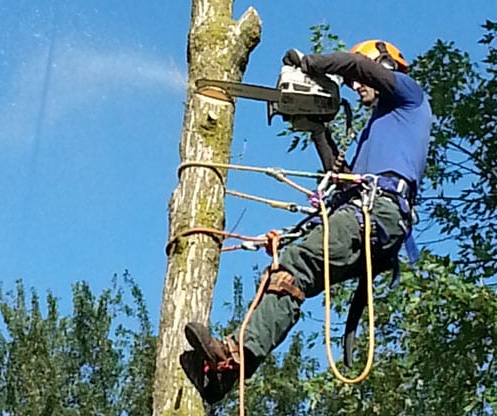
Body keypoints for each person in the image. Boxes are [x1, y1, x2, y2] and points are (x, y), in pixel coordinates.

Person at [182, 39, 433, 404]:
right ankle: (226, 372)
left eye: (360, 80)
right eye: (352, 85)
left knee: (297, 264)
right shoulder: (374, 132)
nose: (355, 86)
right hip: (364, 214)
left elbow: (354, 66)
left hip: (379, 213)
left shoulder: (410, 98)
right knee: (288, 275)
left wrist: (312, 63)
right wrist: (317, 129)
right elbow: (340, 177)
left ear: (385, 65)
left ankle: (236, 356)